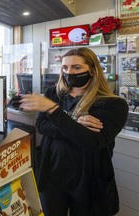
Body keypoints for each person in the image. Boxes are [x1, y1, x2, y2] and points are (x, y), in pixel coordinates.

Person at [19, 47, 128, 216]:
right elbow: (41, 125)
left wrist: (54, 111)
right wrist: (75, 124)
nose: (69, 72)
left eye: (76, 67)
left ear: (92, 71)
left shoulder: (113, 104)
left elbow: (92, 142)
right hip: (52, 173)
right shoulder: (53, 93)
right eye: (65, 68)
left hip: (89, 180)